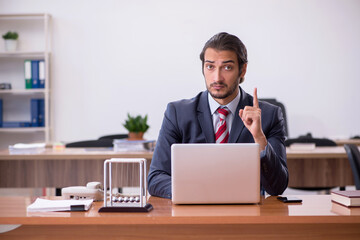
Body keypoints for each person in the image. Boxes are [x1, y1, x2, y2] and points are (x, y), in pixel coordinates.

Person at [148, 32, 288, 199]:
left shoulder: (269, 115)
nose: (217, 77)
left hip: (248, 215)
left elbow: (278, 187)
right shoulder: (177, 113)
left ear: (242, 70)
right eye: (210, 66)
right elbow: (155, 178)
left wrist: (259, 138)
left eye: (227, 67)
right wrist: (195, 191)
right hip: (193, 212)